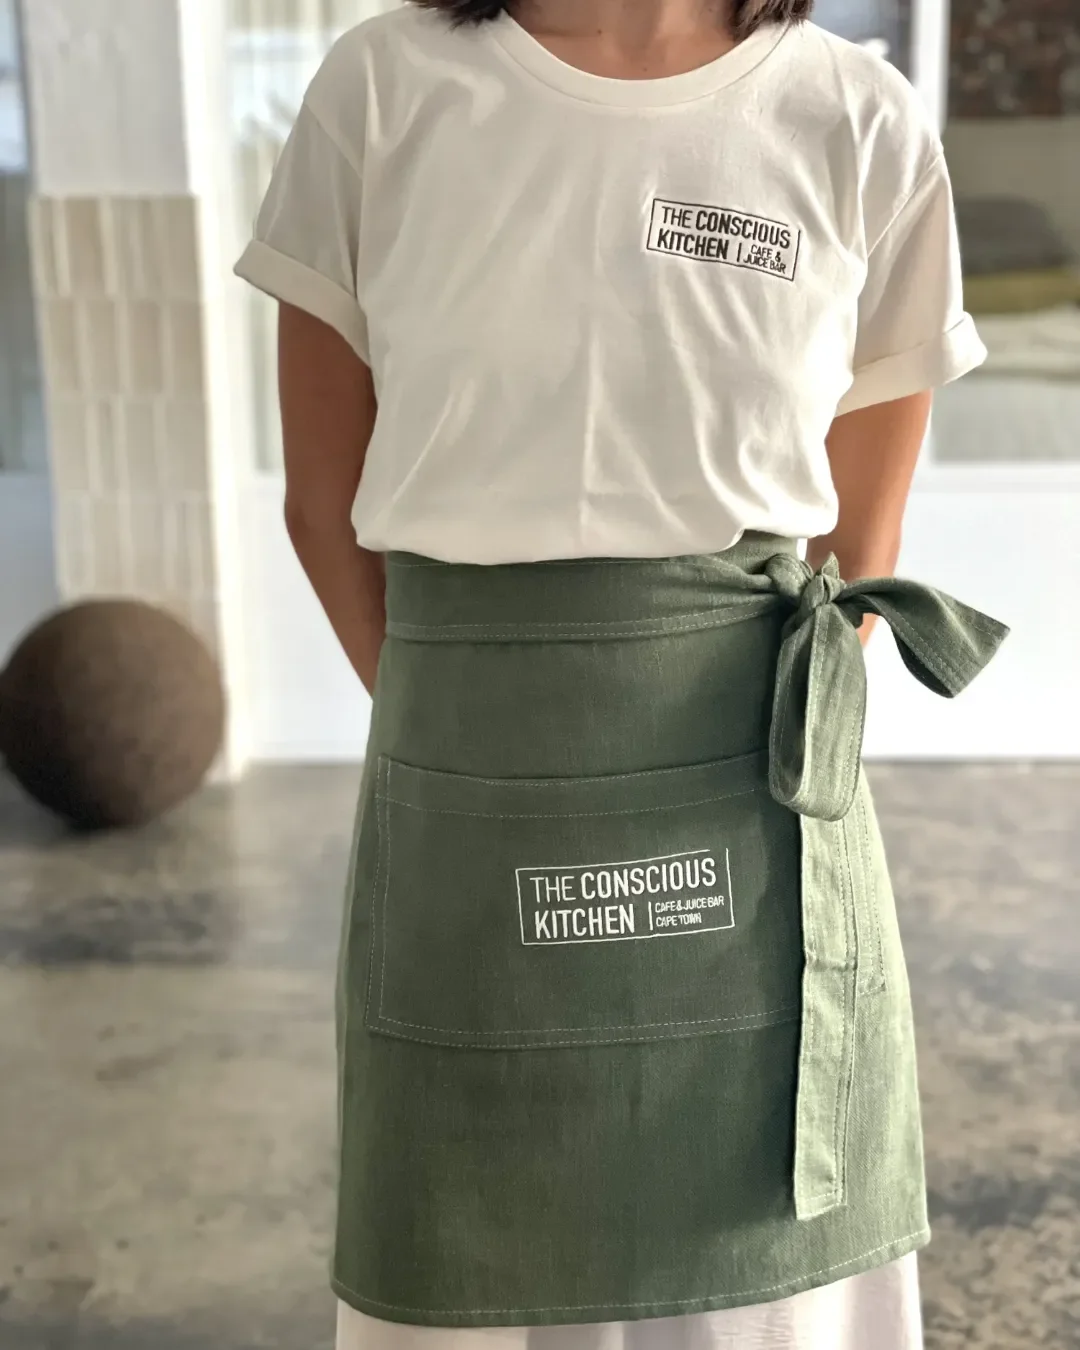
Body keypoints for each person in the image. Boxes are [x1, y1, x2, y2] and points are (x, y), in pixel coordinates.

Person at [234, 2, 1009, 1347]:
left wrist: (501, 718)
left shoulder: (857, 119)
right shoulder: (384, 85)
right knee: (470, 1246)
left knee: (760, 1259)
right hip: (469, 787)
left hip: (746, 788)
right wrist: (485, 734)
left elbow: (857, 544)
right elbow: (320, 497)